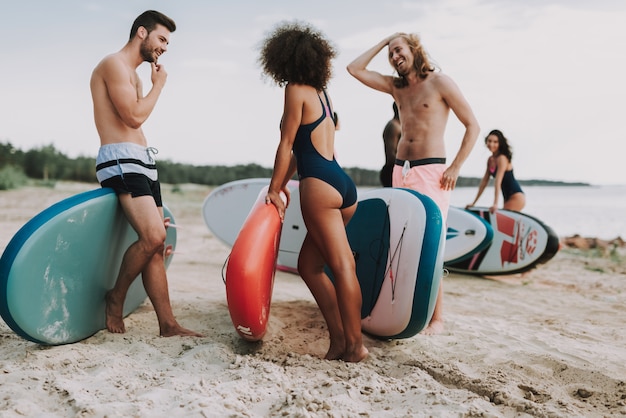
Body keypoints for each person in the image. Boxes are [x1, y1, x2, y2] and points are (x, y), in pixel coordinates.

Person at [347, 32, 480, 335]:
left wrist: (456, 166)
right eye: (390, 54)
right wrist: (384, 41)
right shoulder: (397, 87)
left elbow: (472, 125)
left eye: (398, 50)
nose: (394, 57)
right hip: (400, 171)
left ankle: (437, 319)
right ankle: (393, 308)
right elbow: (355, 69)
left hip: (432, 171)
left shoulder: (440, 82)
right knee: (397, 241)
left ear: (414, 49)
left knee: (431, 245)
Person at [259, 21, 368, 362]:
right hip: (341, 183)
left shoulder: (295, 89)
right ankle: (339, 342)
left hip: (319, 187)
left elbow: (287, 144)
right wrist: (279, 183)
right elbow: (304, 149)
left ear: (284, 59)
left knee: (342, 266)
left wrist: (275, 189)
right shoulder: (323, 94)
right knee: (309, 266)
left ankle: (356, 346)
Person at [90, 10, 202, 337]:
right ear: (142, 32)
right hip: (121, 160)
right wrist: (160, 85)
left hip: (142, 161)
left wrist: (150, 85)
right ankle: (116, 297)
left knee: (156, 243)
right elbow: (134, 117)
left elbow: (135, 119)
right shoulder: (113, 64)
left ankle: (168, 324)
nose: (165, 47)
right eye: (162, 39)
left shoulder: (134, 76)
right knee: (153, 237)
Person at [467, 129, 525, 213]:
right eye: (489, 141)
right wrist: (473, 203)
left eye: (495, 142)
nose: (491, 144)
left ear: (500, 144)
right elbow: (484, 183)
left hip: (516, 197)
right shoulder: (490, 160)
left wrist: (495, 204)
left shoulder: (502, 158)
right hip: (507, 198)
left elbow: (498, 181)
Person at [380, 102, 401, 187]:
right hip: (391, 171)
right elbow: (391, 155)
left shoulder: (400, 126)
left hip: (396, 170)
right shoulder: (393, 126)